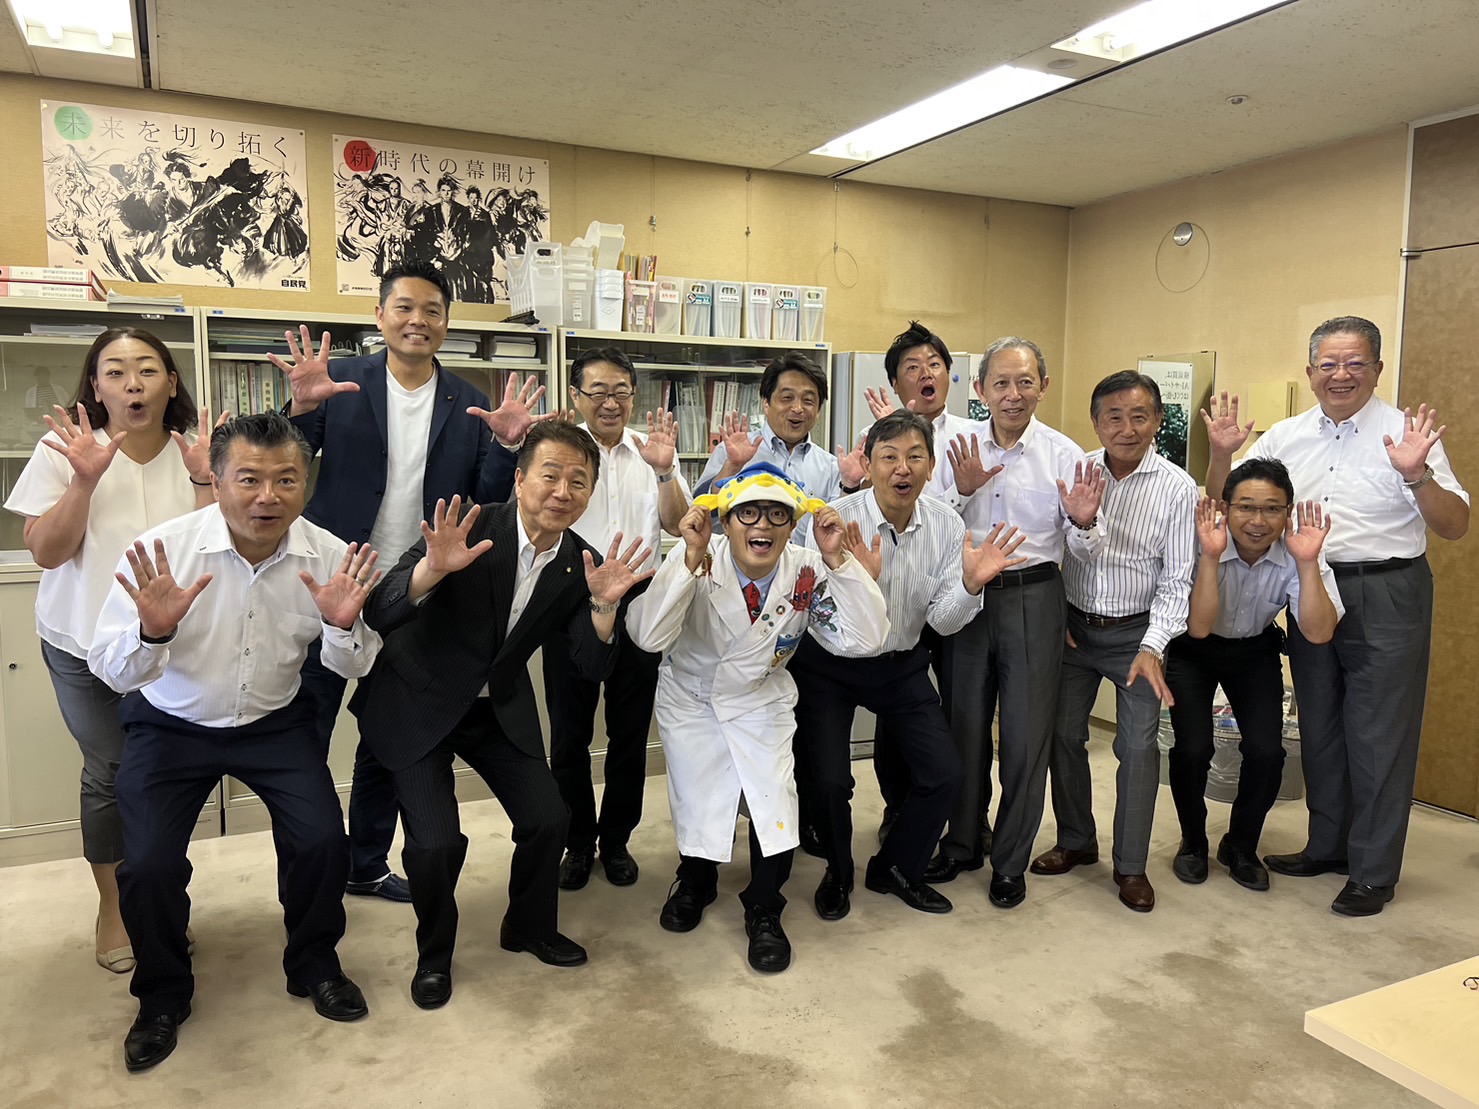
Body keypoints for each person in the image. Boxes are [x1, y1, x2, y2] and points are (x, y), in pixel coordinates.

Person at [88, 412, 384, 1073]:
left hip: (275, 722)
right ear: (216, 481)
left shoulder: (329, 554)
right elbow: (111, 670)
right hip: (170, 722)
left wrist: (343, 627)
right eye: (248, 479)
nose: (267, 497)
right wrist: (153, 633)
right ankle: (162, 994)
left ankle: (314, 963)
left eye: (286, 480)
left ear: (305, 483)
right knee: (149, 864)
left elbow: (356, 663)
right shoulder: (162, 551)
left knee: (321, 842)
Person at [268, 260, 549, 904]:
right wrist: (301, 406)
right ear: (380, 316)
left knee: (389, 737)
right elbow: (287, 460)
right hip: (333, 581)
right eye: (404, 307)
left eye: (431, 310)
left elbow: (482, 502)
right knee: (305, 729)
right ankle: (306, 873)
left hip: (417, 591)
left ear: (446, 323)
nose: (417, 320)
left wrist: (508, 450)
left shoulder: (470, 398)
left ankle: (364, 863)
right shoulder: (340, 379)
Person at [350, 421, 655, 1010]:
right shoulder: (468, 526)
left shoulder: (581, 563)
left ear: (590, 493)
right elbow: (382, 611)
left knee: (549, 817)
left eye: (578, 481)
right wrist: (432, 570)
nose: (562, 491)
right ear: (519, 480)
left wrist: (602, 605)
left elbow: (590, 665)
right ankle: (434, 956)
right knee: (435, 845)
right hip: (418, 699)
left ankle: (528, 926)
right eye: (550, 475)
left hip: (496, 705)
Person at [1204, 315, 1469, 916]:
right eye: (1328, 364)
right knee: (1319, 724)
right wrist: (1221, 454)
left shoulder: (1406, 434)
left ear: (1377, 369)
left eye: (1355, 363)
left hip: (1386, 589)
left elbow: (1454, 525)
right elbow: (1224, 501)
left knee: (1379, 734)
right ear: (1310, 372)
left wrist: (1417, 474)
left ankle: (1373, 870)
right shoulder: (1285, 437)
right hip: (1307, 581)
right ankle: (1327, 845)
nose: (1341, 374)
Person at [4, 327, 216, 974]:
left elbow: (218, 549)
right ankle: (115, 905)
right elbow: (46, 553)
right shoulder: (63, 449)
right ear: (95, 385)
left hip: (173, 642)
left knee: (168, 772)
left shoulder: (199, 452)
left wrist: (205, 479)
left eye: (147, 369)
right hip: (82, 642)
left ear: (171, 383)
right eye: (115, 371)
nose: (132, 383)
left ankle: (159, 897)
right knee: (111, 769)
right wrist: (82, 482)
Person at [626, 462, 889, 972]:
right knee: (700, 800)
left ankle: (765, 906)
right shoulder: (699, 556)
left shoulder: (809, 568)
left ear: (793, 526)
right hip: (695, 700)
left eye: (777, 514)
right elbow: (648, 636)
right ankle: (695, 881)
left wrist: (840, 561)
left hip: (760, 700)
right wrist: (688, 558)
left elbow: (867, 638)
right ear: (726, 522)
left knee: (774, 805)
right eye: (748, 513)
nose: (762, 525)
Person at [791, 411, 1025, 921]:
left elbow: (941, 622)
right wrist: (858, 585)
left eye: (915, 456)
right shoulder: (831, 521)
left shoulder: (946, 524)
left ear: (930, 466)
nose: (903, 468)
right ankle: (838, 872)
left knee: (944, 774)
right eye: (889, 457)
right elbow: (810, 609)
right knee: (830, 781)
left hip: (900, 664)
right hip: (829, 664)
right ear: (868, 465)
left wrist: (971, 585)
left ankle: (895, 867)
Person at [923, 338, 1105, 910]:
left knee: (1026, 738)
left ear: (1043, 387)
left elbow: (1085, 549)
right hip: (968, 595)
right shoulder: (953, 448)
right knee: (963, 727)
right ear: (980, 390)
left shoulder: (1064, 455)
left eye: (1025, 382)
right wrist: (962, 491)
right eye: (1000, 382)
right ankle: (962, 843)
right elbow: (930, 524)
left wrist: (1084, 522)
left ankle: (1009, 860)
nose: (1013, 394)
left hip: (1034, 596)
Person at [1031, 371, 1196, 914]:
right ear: (1096, 421)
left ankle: (1130, 865)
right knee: (1062, 735)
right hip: (1074, 630)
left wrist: (1153, 645)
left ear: (1158, 420)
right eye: (1114, 417)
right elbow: (1051, 549)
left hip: (1138, 636)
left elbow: (1178, 579)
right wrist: (1056, 614)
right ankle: (1076, 839)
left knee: (1139, 750)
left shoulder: (1176, 487)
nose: (1127, 428)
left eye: (1139, 416)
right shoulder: (1073, 470)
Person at [544, 347, 690, 892]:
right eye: (598, 392)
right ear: (576, 396)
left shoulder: (652, 451)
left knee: (629, 732)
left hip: (640, 600)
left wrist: (665, 471)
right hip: (569, 599)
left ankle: (616, 840)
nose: (610, 402)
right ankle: (578, 841)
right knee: (570, 734)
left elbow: (678, 522)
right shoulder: (563, 451)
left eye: (621, 392)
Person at [1167, 460, 1341, 892]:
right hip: (1194, 649)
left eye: (1272, 509)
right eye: (1246, 507)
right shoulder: (1200, 541)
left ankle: (1241, 845)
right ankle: (1193, 841)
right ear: (1226, 508)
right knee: (1192, 749)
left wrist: (1307, 564)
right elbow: (1198, 628)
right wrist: (1211, 557)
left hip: (1255, 650)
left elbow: (1319, 632)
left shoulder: (1298, 550)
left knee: (1267, 753)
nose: (1258, 521)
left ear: (1288, 512)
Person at [855, 321, 979, 844]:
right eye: (912, 367)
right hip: (887, 603)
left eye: (934, 364)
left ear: (949, 374)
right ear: (896, 382)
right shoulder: (877, 438)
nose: (926, 373)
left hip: (952, 586)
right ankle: (897, 808)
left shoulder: (975, 432)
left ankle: (966, 820)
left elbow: (941, 518)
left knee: (956, 714)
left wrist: (964, 495)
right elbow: (868, 502)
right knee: (895, 714)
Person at [696, 352, 840, 545]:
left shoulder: (830, 466)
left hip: (807, 564)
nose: (798, 408)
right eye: (787, 398)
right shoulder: (732, 451)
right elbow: (700, 514)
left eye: (808, 401)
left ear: (819, 411)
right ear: (766, 403)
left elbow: (836, 530)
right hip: (740, 563)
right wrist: (733, 466)